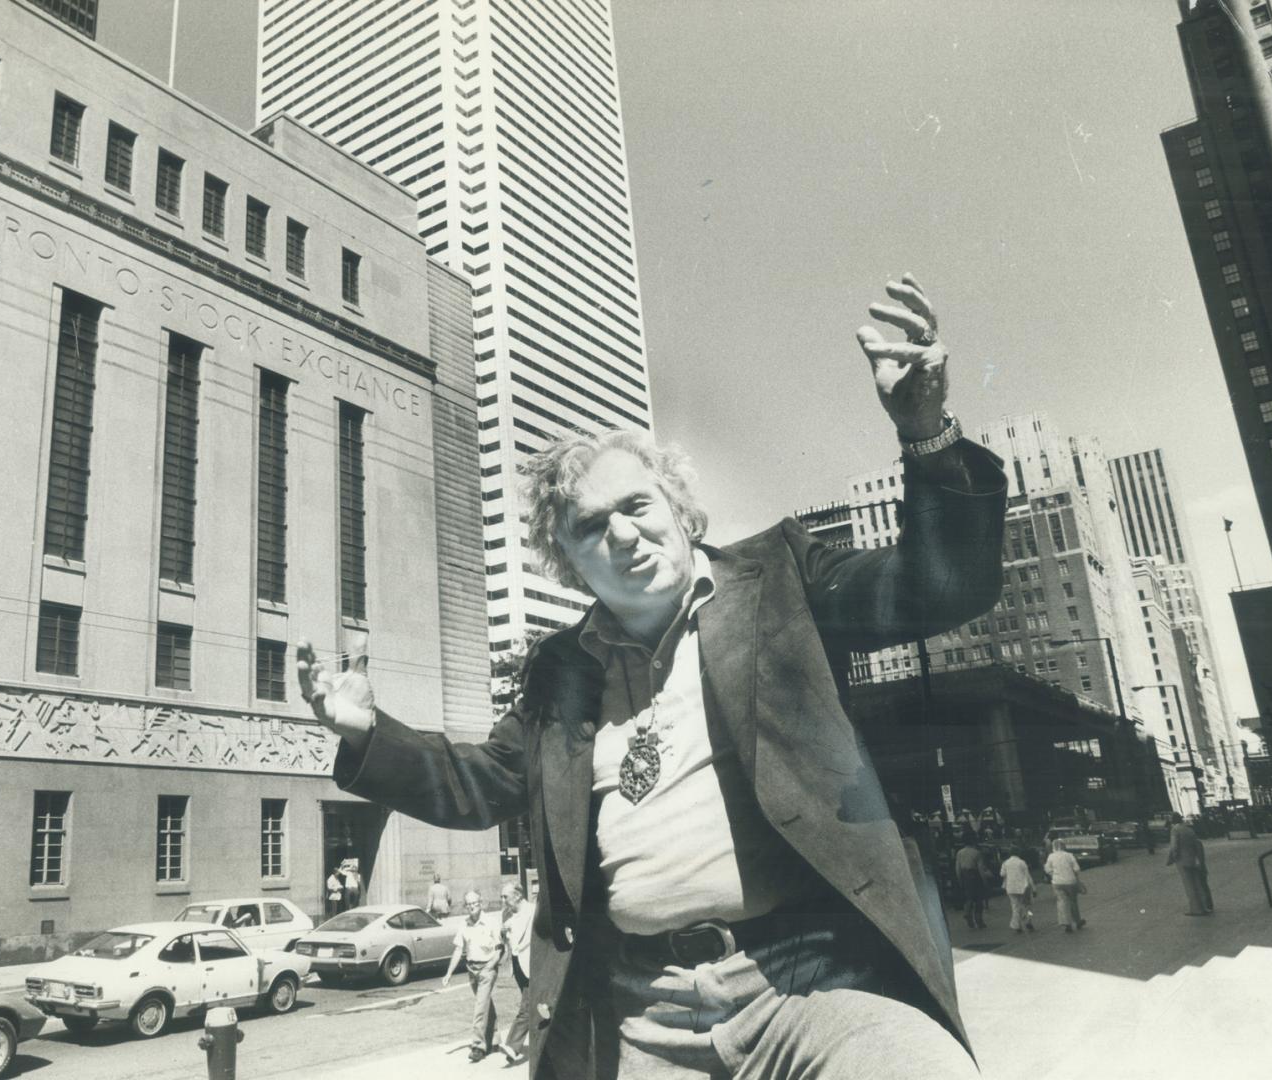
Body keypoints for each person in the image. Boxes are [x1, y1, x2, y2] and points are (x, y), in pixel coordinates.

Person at [298, 275, 1005, 1078]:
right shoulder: (559, 674)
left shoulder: (781, 577)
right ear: (568, 563)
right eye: (591, 528)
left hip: (813, 979)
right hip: (641, 1007)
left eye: (636, 505)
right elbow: (482, 784)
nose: (623, 535)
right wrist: (364, 731)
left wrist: (924, 434)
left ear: (676, 506)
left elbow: (942, 585)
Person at [442, 889, 503, 1063]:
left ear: (481, 903)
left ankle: (478, 1046)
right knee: (485, 1004)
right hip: (472, 969)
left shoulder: (491, 922)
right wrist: (448, 973)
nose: (472, 907)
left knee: (479, 1007)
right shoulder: (464, 924)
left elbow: (499, 949)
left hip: (487, 968)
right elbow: (458, 949)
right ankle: (495, 1040)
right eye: (468, 904)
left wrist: (491, 966)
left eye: (475, 903)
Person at [497, 881, 536, 1065]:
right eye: (502, 896)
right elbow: (507, 941)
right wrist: (504, 934)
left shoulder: (533, 911)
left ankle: (513, 1046)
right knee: (533, 1006)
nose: (503, 900)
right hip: (518, 965)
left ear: (518, 895)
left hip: (532, 965)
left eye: (506, 896)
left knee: (527, 1006)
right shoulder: (507, 914)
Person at [1166, 813, 1213, 916]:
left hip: (1183, 861)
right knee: (1198, 884)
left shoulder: (1175, 830)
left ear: (1172, 821)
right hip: (1194, 860)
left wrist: (1171, 859)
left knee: (1189, 886)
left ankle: (1196, 909)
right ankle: (1205, 907)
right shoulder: (1188, 829)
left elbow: (1174, 847)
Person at [1043, 841, 1085, 933]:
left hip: (1057, 882)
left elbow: (1047, 869)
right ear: (1063, 846)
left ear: (1054, 847)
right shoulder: (1069, 855)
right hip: (1070, 881)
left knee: (1061, 902)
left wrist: (1053, 874)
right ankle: (1077, 921)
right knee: (1073, 901)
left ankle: (1066, 923)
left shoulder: (1051, 856)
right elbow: (1077, 869)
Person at [953, 833, 987, 930]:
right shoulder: (977, 853)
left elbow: (957, 868)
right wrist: (984, 881)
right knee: (978, 900)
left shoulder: (959, 853)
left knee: (968, 897)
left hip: (964, 876)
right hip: (975, 876)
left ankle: (968, 915)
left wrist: (960, 879)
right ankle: (979, 921)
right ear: (973, 842)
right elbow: (981, 869)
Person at [999, 850, 1035, 934]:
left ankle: (1016, 925)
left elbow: (1002, 874)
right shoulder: (1022, 862)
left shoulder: (1006, 863)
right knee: (1028, 906)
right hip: (1023, 887)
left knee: (1015, 907)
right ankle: (1029, 921)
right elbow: (1028, 876)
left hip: (1011, 888)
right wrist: (1033, 888)